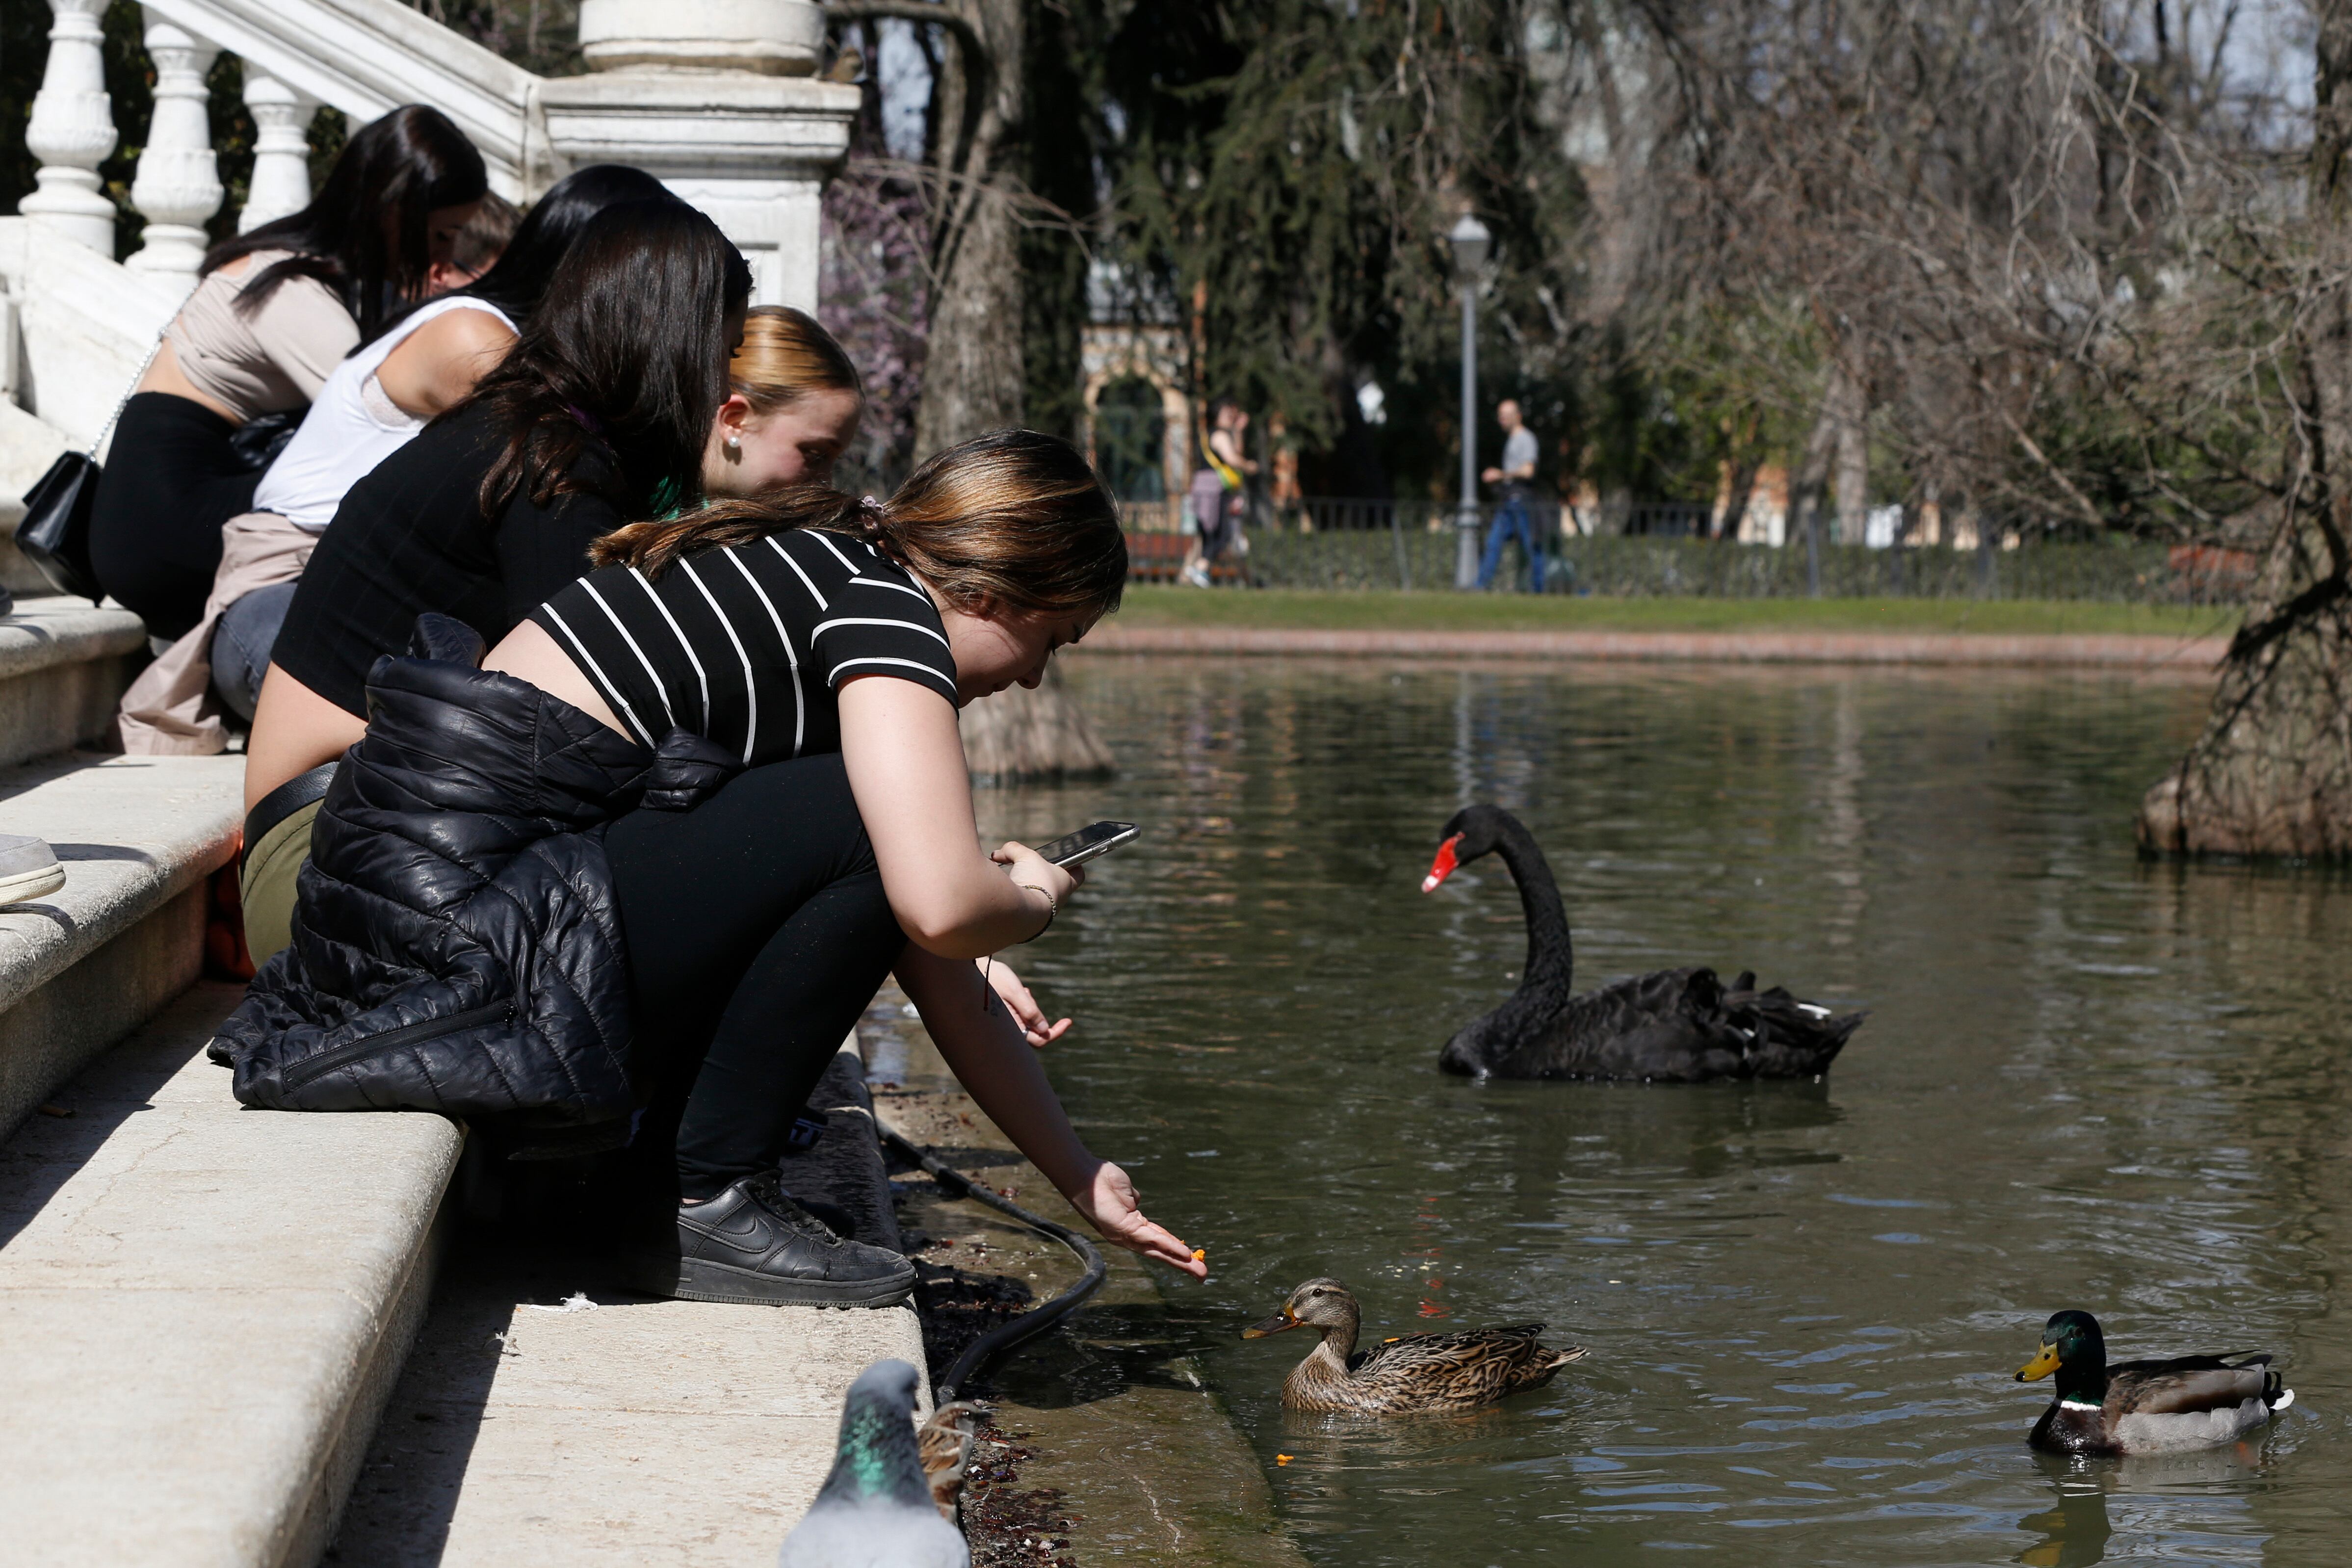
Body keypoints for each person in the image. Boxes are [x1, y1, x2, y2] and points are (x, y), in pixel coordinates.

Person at [212, 429, 1207, 1308]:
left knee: (866, 823)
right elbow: (942, 905)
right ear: (990, 591)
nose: (1034, 675)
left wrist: (1079, 1175)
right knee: (869, 817)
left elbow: (923, 946)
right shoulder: (889, 612)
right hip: (466, 945)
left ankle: (668, 1180)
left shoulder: (828, 564)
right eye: (1049, 640)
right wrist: (1030, 898)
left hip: (431, 925)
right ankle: (700, 1197)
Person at [113, 166, 669, 758]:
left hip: (357, 605)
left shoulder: (498, 333)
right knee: (460, 722)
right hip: (284, 596)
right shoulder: (474, 337)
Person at [87, 106, 489, 640]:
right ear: (394, 212)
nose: (440, 259)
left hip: (177, 500)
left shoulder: (303, 271)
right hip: (160, 518)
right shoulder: (288, 286)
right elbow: (379, 421)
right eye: (440, 236)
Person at [1181, 396, 1256, 586]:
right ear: (1217, 415)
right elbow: (1233, 458)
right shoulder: (1219, 435)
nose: (1231, 416)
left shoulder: (1215, 434)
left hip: (1212, 487)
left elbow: (1235, 451)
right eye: (1227, 413)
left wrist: (1238, 431)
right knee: (1217, 532)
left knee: (1214, 532)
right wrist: (1249, 466)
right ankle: (1198, 569)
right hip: (1213, 489)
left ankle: (1198, 570)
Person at [1477, 397, 1545, 592]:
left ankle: (1539, 589)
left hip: (1521, 501)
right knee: (1493, 543)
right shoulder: (1512, 440)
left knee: (1532, 546)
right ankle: (1481, 586)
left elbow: (1528, 471)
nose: (1502, 420)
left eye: (1506, 416)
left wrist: (1501, 474)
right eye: (1500, 416)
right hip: (1509, 501)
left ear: (1518, 416)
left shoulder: (1526, 439)